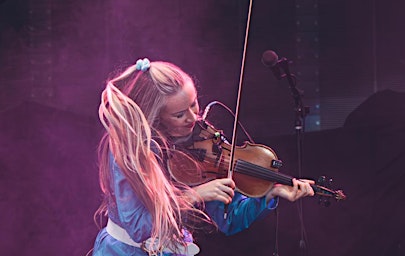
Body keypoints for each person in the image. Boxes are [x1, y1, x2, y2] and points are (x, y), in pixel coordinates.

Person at [92, 58, 315, 256]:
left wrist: (268, 193)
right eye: (179, 115)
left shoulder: (204, 144)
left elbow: (228, 220)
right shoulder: (129, 149)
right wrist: (194, 196)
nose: (193, 117)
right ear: (155, 116)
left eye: (193, 104)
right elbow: (138, 226)